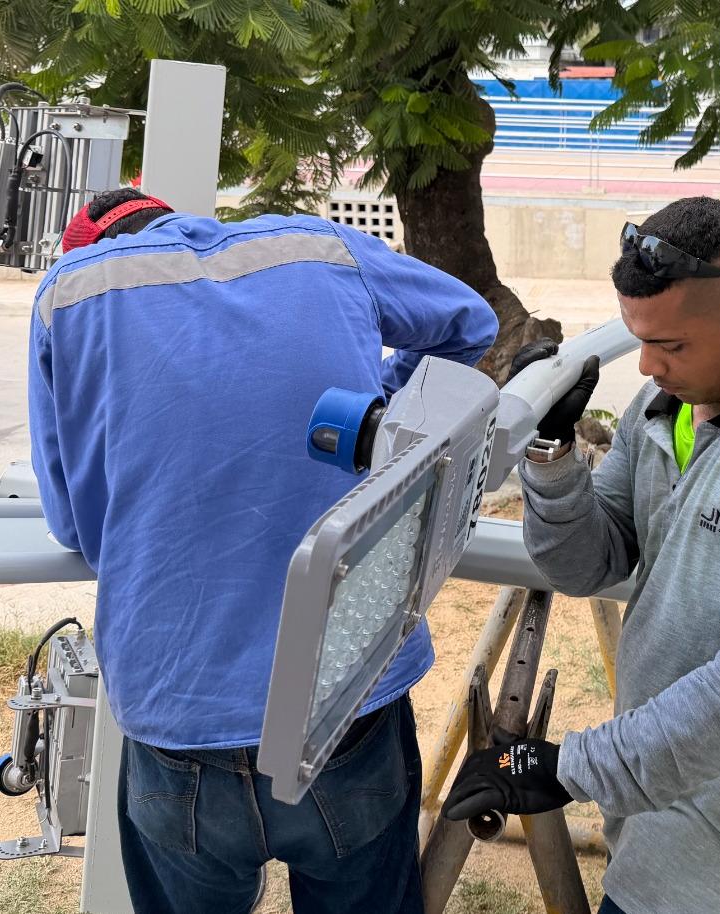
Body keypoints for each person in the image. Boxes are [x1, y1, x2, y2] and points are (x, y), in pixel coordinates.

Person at [27, 188, 497, 914]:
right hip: (347, 699)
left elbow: (73, 523)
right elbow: (472, 323)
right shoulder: (319, 249)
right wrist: (382, 427)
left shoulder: (69, 293)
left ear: (92, 245)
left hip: (176, 718)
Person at [441, 197, 720, 914]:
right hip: (652, 822)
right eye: (638, 339)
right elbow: (589, 563)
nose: (647, 364)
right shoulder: (669, 407)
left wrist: (569, 769)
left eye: (671, 346)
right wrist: (551, 454)